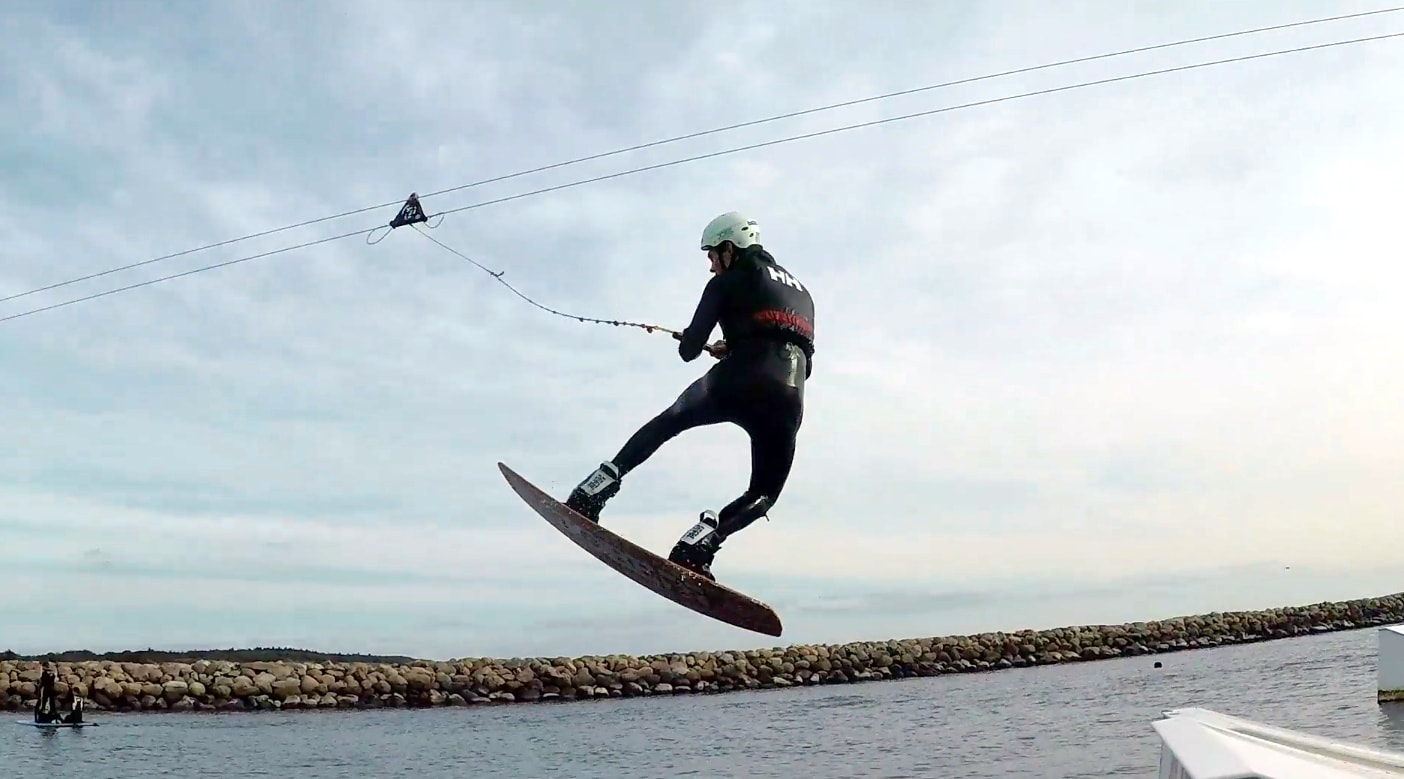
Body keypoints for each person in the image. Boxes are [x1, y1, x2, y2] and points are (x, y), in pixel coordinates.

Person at [564, 211, 815, 580]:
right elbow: (786, 336)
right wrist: (732, 345)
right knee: (763, 493)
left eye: (712, 255)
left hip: (738, 378)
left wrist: (695, 340)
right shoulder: (802, 290)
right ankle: (699, 545)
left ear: (730, 248)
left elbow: (689, 349)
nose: (712, 266)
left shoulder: (728, 281)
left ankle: (593, 491)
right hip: (789, 395)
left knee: (672, 419)